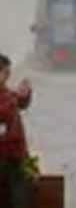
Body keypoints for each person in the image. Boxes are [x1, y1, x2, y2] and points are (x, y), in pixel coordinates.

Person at [0, 53, 33, 208]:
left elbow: (19, 102)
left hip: (15, 155)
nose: (7, 75)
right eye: (4, 72)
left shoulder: (6, 92)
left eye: (8, 72)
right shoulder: (7, 97)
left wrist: (24, 95)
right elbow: (4, 114)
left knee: (23, 188)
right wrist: (14, 100)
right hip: (6, 157)